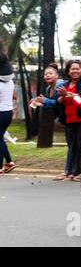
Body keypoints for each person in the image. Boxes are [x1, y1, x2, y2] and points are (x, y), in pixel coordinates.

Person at [57, 60, 81, 181]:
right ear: (68, 71)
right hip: (70, 120)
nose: (75, 71)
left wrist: (66, 93)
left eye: (77, 68)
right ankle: (74, 171)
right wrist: (62, 95)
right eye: (72, 69)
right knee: (73, 146)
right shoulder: (66, 84)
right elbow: (59, 101)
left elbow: (80, 96)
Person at [29, 63, 68, 180]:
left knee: (75, 145)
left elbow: (60, 102)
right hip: (64, 118)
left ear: (57, 75)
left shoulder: (60, 85)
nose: (47, 76)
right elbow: (51, 105)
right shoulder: (48, 88)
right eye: (46, 74)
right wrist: (40, 103)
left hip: (72, 116)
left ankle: (72, 171)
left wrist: (45, 101)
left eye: (50, 73)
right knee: (71, 145)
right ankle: (69, 171)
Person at [0, 38, 16, 175]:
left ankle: (2, 166)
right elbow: (14, 96)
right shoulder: (9, 82)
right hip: (8, 113)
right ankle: (9, 162)